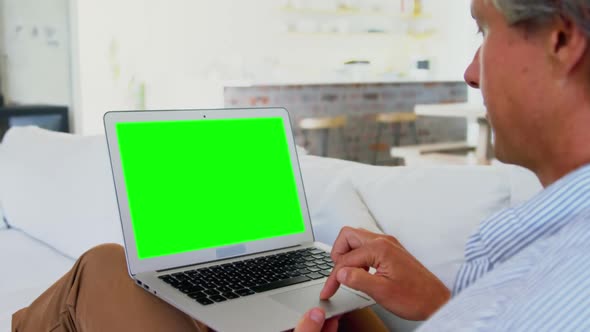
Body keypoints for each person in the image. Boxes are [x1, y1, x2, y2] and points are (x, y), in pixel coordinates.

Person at [12, 0, 590, 330]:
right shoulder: (559, 236)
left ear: (561, 41)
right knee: (141, 276)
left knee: (104, 271)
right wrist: (440, 302)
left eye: (484, 28)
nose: (469, 70)